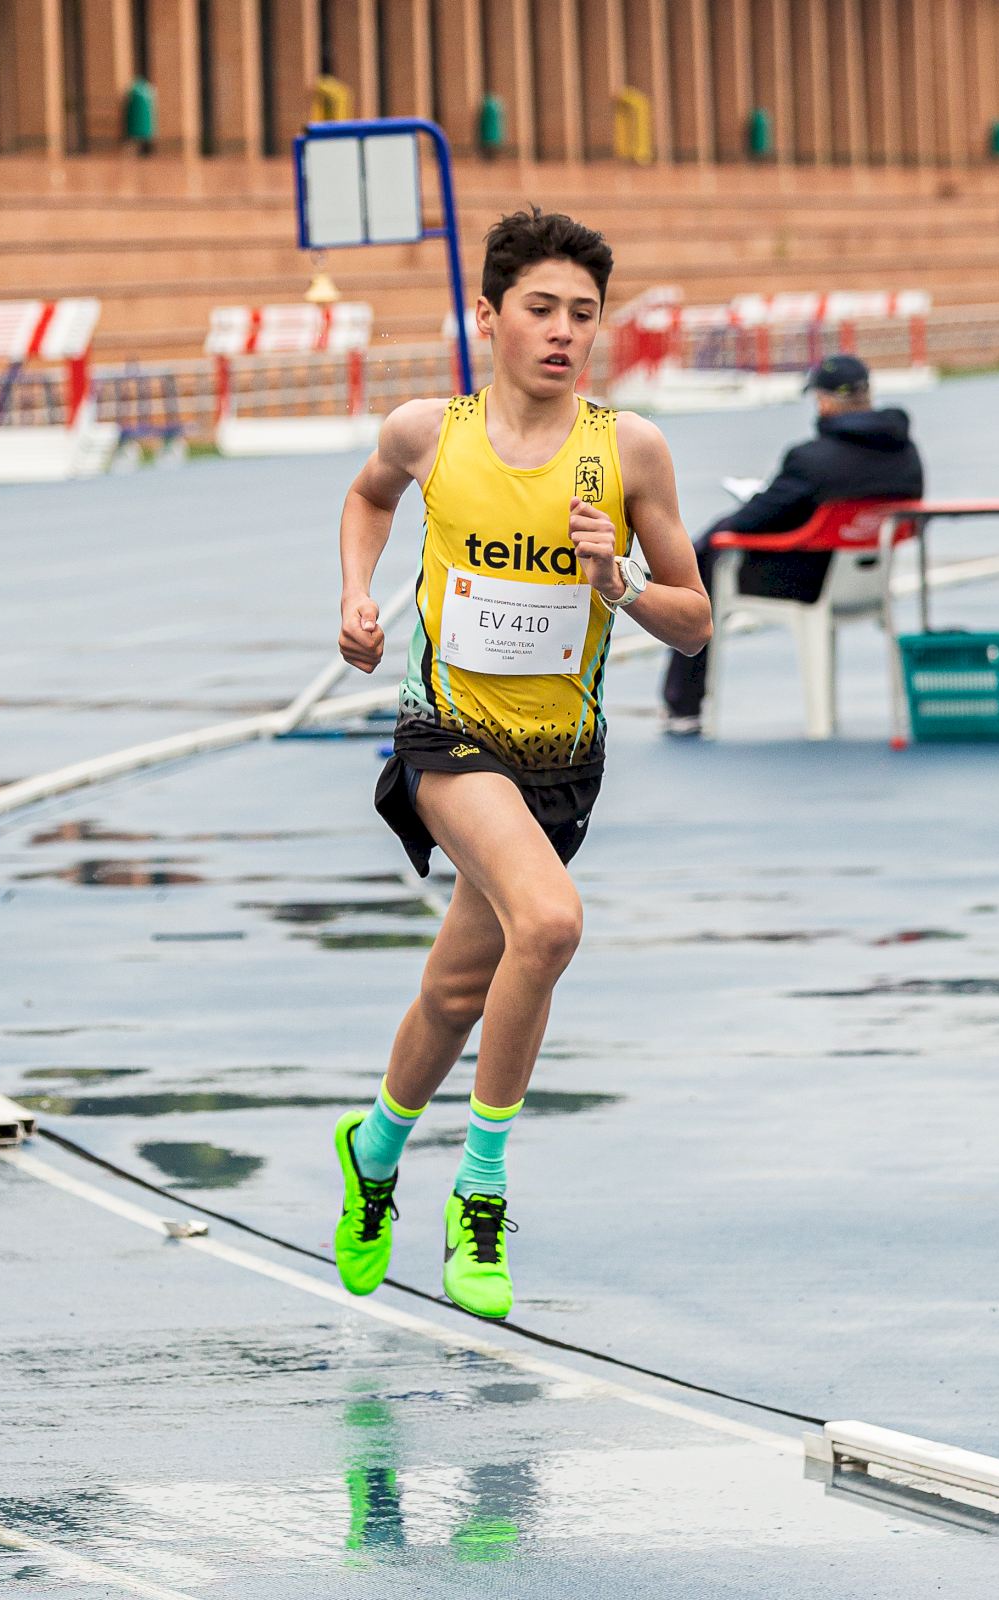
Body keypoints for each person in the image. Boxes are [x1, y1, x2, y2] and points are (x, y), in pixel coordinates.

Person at [332, 208, 711, 1320]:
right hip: (448, 736)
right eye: (540, 309)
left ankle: (373, 1148)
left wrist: (619, 581)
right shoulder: (428, 432)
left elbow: (695, 623)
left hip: (561, 762)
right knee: (548, 924)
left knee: (460, 989)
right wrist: (356, 597)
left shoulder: (629, 450)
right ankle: (482, 1190)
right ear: (488, 316)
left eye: (583, 314)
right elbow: (368, 496)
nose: (562, 332)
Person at [661, 353, 925, 735]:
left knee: (709, 558)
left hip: (806, 582)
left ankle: (683, 707)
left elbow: (750, 520)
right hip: (874, 581)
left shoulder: (811, 460)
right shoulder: (906, 454)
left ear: (824, 401)